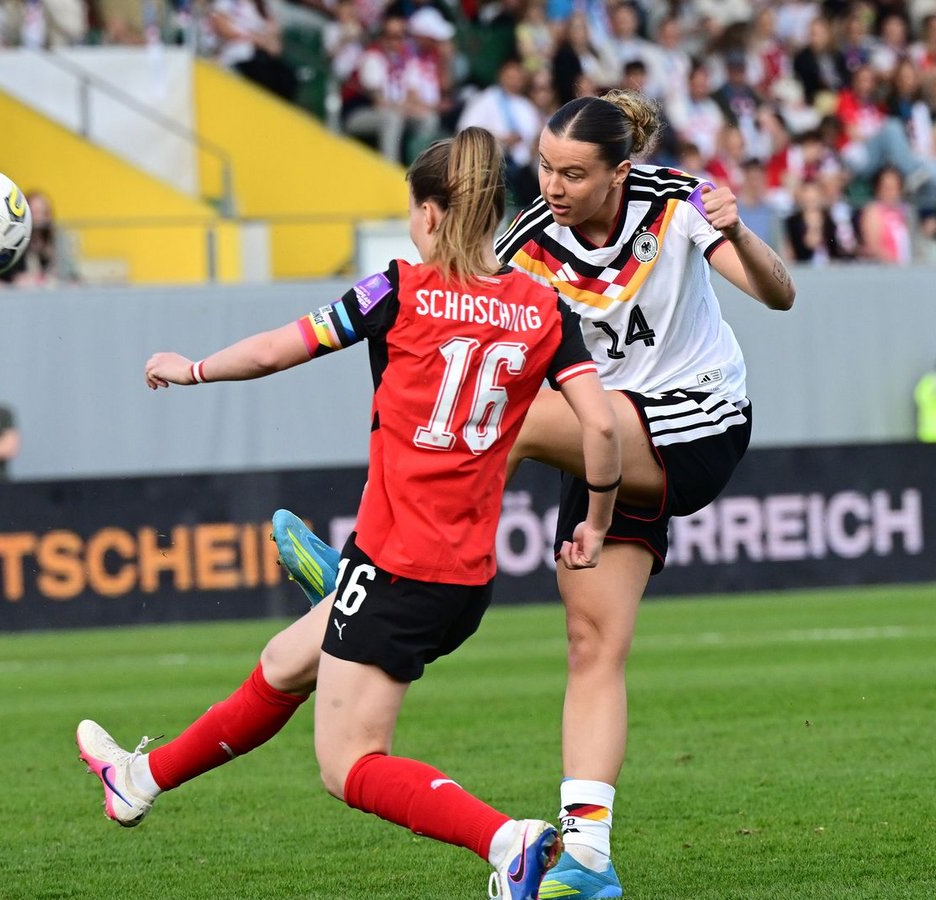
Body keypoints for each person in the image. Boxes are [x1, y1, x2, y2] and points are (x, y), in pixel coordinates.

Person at [233, 91, 797, 899]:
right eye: (543, 167)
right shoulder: (529, 242)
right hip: (603, 441)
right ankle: (589, 863)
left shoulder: (676, 202)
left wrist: (739, 228)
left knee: (518, 417)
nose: (553, 186)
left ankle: (375, 564)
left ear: (620, 173)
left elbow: (778, 295)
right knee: (591, 644)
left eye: (573, 173)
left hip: (699, 425)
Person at [77, 127, 621, 900]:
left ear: (431, 215)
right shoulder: (542, 306)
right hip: (464, 577)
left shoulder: (397, 288)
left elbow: (276, 350)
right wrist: (595, 524)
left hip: (398, 566)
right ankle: (139, 779)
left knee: (349, 763)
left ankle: (512, 843)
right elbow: (600, 428)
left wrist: (191, 369)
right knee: (283, 664)